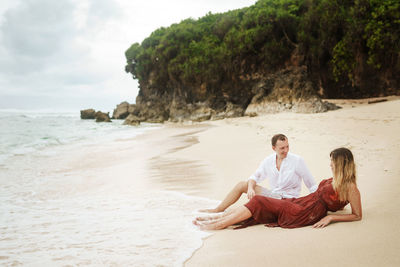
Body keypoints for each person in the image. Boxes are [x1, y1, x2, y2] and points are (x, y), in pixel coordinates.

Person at [194, 147, 362, 230]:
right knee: (260, 201)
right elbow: (336, 200)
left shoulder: (351, 187)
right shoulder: (336, 180)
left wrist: (332, 218)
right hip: (302, 203)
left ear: (340, 163)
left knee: (259, 200)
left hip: (306, 212)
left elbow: (357, 215)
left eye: (332, 161)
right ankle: (217, 219)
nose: (330, 164)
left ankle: (218, 224)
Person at [200, 134, 318, 213]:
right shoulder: (268, 161)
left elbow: (311, 185)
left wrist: (318, 205)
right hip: (273, 195)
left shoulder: (297, 160)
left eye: (287, 147)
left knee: (251, 206)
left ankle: (227, 217)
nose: (286, 150)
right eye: (282, 148)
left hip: (289, 200)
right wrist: (251, 188)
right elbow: (254, 177)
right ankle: (218, 210)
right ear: (274, 148)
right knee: (243, 185)